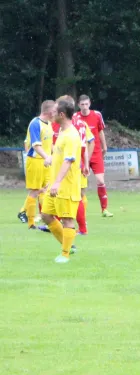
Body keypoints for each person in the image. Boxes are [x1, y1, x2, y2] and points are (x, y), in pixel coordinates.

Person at [40, 96, 82, 263]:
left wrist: (57, 182)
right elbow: (60, 157)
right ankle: (68, 245)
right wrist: (50, 159)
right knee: (46, 215)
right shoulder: (62, 132)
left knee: (67, 219)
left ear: (62, 115)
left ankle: (65, 254)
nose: (52, 113)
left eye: (55, 112)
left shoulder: (72, 135)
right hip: (55, 184)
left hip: (66, 186)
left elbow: (69, 160)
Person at [74, 95, 113, 217]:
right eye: (82, 104)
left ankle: (104, 209)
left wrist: (104, 146)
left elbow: (100, 131)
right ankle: (78, 211)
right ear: (78, 105)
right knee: (80, 186)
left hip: (95, 152)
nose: (85, 107)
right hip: (81, 154)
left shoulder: (97, 115)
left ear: (90, 103)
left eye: (86, 104)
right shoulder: (75, 117)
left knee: (101, 180)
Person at [19, 100, 56, 229]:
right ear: (49, 111)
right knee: (34, 191)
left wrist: (55, 155)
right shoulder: (35, 124)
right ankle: (31, 223)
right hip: (35, 161)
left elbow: (50, 143)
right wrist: (46, 157)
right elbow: (35, 145)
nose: (56, 113)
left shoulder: (50, 124)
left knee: (46, 190)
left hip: (47, 162)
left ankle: (48, 218)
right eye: (55, 110)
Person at [72, 113, 95, 235]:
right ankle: (81, 225)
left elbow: (89, 143)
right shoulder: (80, 123)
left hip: (72, 165)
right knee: (78, 194)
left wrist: (86, 162)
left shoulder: (76, 124)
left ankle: (81, 224)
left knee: (78, 194)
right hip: (78, 163)